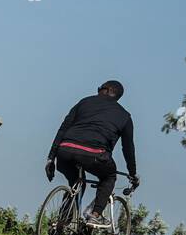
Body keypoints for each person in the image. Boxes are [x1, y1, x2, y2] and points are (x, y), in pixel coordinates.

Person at [46, 80, 138, 226]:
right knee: (109, 177)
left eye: (100, 88)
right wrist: (132, 173)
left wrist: (51, 158)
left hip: (65, 150)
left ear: (107, 90)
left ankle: (63, 223)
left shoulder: (84, 102)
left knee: (76, 183)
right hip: (95, 155)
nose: (97, 91)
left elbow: (63, 128)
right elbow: (128, 148)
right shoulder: (125, 116)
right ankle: (94, 214)